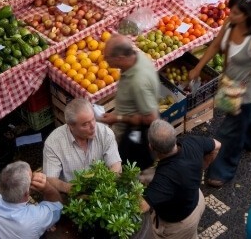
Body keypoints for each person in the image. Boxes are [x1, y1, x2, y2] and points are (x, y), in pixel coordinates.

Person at [188, 0, 251, 188]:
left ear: (248, 15)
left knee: (230, 131)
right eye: (231, 11)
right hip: (230, 81)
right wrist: (198, 68)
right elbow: (216, 46)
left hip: (246, 90)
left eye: (236, 13)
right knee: (247, 117)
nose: (230, 15)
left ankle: (223, 169)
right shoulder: (229, 23)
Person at [141, 119, 220, 239]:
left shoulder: (164, 178)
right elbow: (217, 145)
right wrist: (203, 166)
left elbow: (141, 206)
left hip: (179, 224)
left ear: (151, 147)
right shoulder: (191, 142)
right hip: (196, 201)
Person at [99, 32, 159, 172]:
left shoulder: (139, 82)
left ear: (120, 58)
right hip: (130, 126)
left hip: (133, 134)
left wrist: (117, 118)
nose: (104, 59)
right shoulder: (137, 58)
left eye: (107, 57)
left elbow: (151, 118)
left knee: (129, 168)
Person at [42, 98, 121, 195]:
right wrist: (72, 189)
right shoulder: (53, 143)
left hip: (102, 191)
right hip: (71, 194)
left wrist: (103, 187)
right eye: (85, 124)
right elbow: (50, 179)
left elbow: (116, 165)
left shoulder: (105, 133)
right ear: (71, 126)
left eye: (93, 119)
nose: (93, 127)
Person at [0, 161, 62, 239]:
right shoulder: (35, 219)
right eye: (31, 177)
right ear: (27, 193)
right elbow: (58, 205)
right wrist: (47, 188)